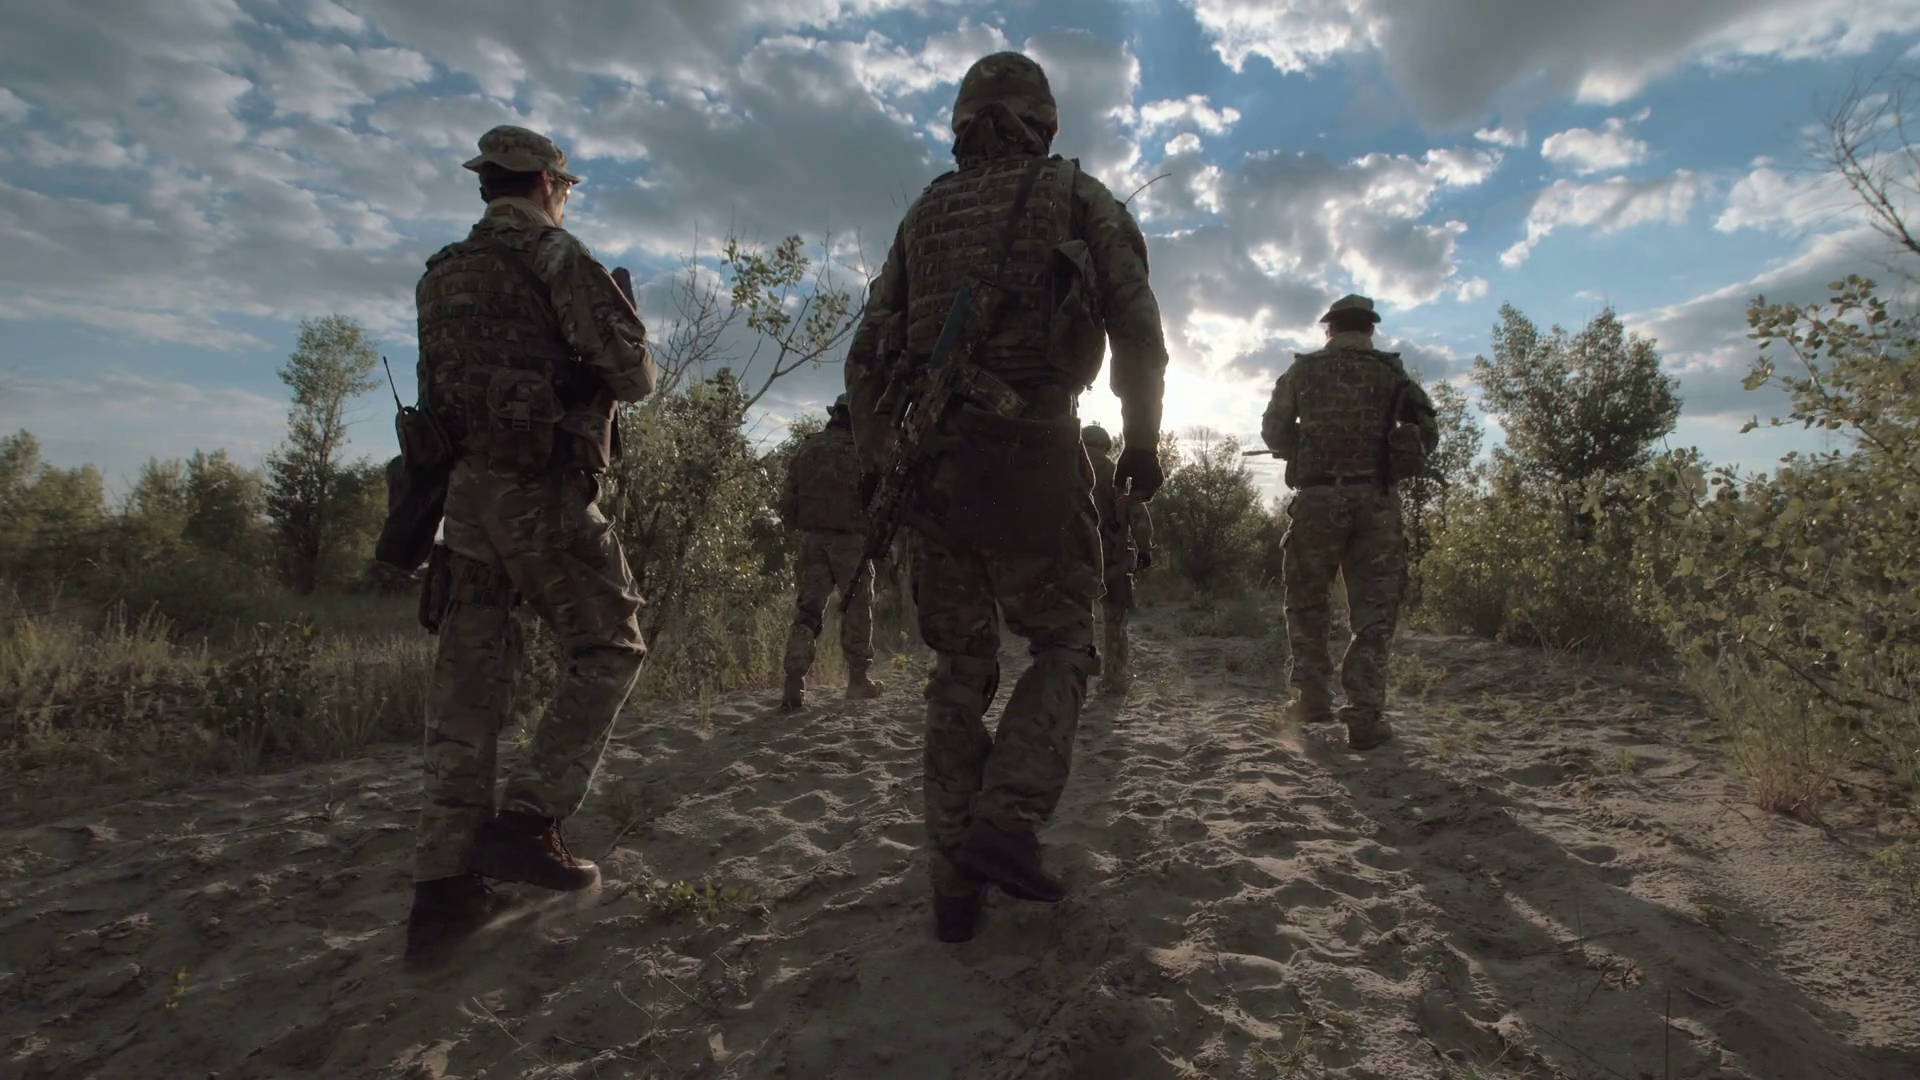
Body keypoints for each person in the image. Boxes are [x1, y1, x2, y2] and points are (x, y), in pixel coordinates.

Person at [845, 51, 1170, 944]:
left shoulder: (924, 215)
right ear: (1043, 121)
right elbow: (1138, 328)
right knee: (1062, 644)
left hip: (935, 466)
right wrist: (1141, 440)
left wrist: (882, 456)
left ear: (962, 126)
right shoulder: (1080, 196)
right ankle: (1007, 819)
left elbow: (866, 353)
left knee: (958, 669)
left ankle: (953, 892)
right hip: (1034, 456)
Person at [404, 124, 657, 965]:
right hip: (537, 492)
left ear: (488, 183)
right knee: (611, 643)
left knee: (467, 688)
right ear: (549, 183)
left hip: (465, 498)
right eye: (565, 187)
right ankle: (527, 820)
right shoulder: (556, 255)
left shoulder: (440, 273)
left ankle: (442, 892)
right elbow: (634, 376)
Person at [1260, 294, 1437, 752]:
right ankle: (1364, 716)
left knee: (1307, 601)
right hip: (1377, 502)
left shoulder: (1303, 371)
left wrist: (1303, 443)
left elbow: (1273, 432)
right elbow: (1428, 432)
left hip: (1317, 500)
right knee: (1374, 613)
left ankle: (1311, 699)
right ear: (1371, 329)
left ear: (1329, 329)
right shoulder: (1392, 373)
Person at [777, 394, 884, 709]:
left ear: (834, 414)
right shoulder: (863, 451)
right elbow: (878, 499)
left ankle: (794, 682)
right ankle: (858, 680)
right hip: (851, 543)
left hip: (812, 541)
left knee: (808, 611)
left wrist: (801, 528)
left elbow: (788, 500)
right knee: (858, 607)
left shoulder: (809, 448)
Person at [1081, 424, 1153, 696]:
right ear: (1105, 445)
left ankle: (1072, 679)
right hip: (1112, 560)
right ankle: (1113, 680)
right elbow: (1139, 517)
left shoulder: (1066, 470)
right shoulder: (1116, 474)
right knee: (1114, 623)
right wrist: (1144, 549)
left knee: (1074, 622)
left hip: (1074, 562)